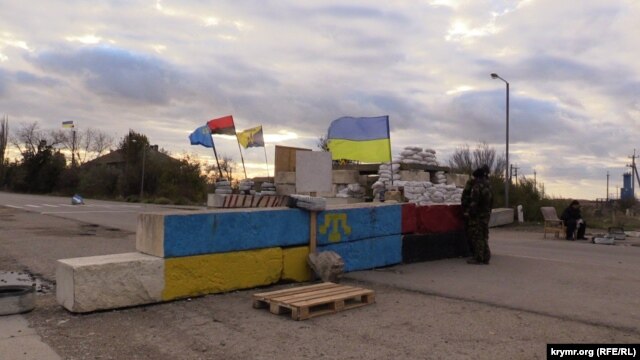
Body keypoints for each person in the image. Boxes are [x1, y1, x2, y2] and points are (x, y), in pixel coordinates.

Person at [467, 165, 493, 265]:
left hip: (478, 215)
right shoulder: (489, 185)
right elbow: (492, 201)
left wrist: (470, 213)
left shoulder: (477, 186)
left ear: (477, 177)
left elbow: (474, 202)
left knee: (477, 236)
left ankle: (478, 257)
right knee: (484, 235)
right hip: (486, 214)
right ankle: (486, 256)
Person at [461, 174, 476, 257]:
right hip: (474, 213)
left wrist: (467, 211)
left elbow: (466, 199)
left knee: (471, 233)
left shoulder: (475, 186)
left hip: (471, 213)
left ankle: (473, 252)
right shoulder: (482, 184)